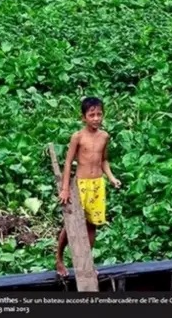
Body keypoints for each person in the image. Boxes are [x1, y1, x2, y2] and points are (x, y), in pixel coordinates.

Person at [55, 96, 121, 277]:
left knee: (92, 225)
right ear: (84, 117)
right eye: (92, 115)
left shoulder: (104, 136)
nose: (96, 118)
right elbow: (68, 163)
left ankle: (86, 264)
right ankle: (59, 259)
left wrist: (112, 178)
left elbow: (104, 160)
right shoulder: (78, 137)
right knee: (71, 224)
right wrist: (66, 188)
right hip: (80, 184)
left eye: (99, 114)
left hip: (97, 185)